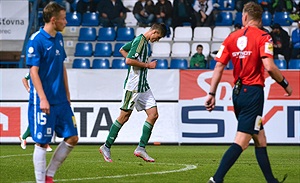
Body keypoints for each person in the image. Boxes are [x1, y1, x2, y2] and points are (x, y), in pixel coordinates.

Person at [205, 2, 292, 183]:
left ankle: (271, 181)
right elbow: (268, 66)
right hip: (253, 93)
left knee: (259, 137)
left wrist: (211, 94)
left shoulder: (231, 37)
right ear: (260, 19)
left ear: (245, 17)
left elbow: (219, 66)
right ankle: (216, 179)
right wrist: (285, 84)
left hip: (237, 94)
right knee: (242, 141)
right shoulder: (263, 37)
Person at [99, 23, 167, 163]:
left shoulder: (142, 41)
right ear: (154, 32)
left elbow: (122, 50)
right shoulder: (140, 42)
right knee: (124, 117)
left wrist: (138, 65)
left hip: (143, 85)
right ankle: (106, 146)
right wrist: (147, 65)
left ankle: (141, 148)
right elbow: (129, 60)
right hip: (133, 86)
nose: (157, 40)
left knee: (153, 115)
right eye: (158, 37)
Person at [26, 2, 78, 182]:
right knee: (42, 142)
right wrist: (42, 98)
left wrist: (67, 93)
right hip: (43, 100)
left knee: (72, 137)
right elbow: (33, 72)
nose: (66, 22)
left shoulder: (59, 38)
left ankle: (49, 174)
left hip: (61, 100)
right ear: (54, 20)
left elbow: (61, 66)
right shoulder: (36, 40)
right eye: (63, 18)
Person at [19, 73, 53, 152]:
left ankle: (24, 137)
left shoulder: (47, 71)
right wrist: (28, 89)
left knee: (42, 119)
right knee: (40, 119)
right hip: (36, 99)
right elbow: (24, 79)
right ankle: (43, 142)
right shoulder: (34, 70)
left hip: (45, 98)